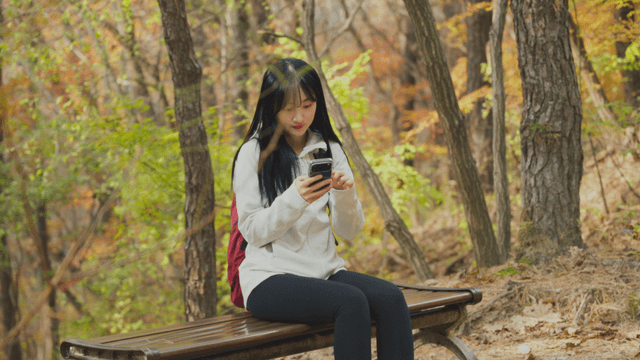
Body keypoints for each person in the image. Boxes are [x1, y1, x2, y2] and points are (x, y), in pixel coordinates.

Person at [231, 58, 414, 360]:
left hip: (324, 273)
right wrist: (295, 199)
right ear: (271, 105)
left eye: (307, 104)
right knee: (351, 302)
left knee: (391, 298)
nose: (299, 116)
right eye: (288, 107)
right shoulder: (253, 153)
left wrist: (345, 194)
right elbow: (251, 230)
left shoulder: (328, 149)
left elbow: (350, 231)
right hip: (268, 278)